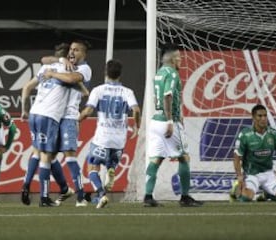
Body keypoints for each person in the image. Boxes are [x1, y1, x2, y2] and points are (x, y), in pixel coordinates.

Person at [144, 43, 203, 207]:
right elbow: (167, 96)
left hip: (156, 122)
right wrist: (171, 120)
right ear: (171, 58)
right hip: (168, 122)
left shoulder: (159, 73)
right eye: (179, 57)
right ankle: (185, 197)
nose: (181, 60)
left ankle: (148, 197)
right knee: (184, 158)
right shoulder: (172, 73)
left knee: (155, 159)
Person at [79, 59, 140, 208]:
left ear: (106, 72)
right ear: (120, 74)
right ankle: (111, 168)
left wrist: (76, 120)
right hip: (119, 139)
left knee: (92, 167)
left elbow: (88, 111)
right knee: (110, 163)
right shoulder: (127, 92)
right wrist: (137, 126)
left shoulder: (98, 90)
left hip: (103, 137)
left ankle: (101, 194)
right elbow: (136, 110)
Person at [20, 43, 75, 206]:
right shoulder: (68, 70)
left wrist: (24, 109)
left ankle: (27, 184)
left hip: (34, 113)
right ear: (68, 56)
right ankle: (44, 197)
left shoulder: (45, 68)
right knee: (47, 155)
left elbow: (27, 86)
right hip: (49, 116)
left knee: (38, 151)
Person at [41, 39, 92, 207]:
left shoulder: (85, 69)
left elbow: (71, 79)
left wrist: (53, 73)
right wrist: (60, 60)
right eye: (71, 49)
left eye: (76, 50)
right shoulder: (64, 63)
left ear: (83, 54)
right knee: (49, 156)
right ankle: (63, 190)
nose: (72, 52)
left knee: (70, 156)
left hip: (69, 117)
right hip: (54, 115)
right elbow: (44, 60)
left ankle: (80, 196)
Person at [230, 104, 276, 202]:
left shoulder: (274, 134)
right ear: (253, 117)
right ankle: (235, 189)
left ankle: (267, 194)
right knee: (245, 198)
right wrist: (240, 177)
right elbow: (237, 157)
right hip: (252, 175)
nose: (263, 118)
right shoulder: (245, 135)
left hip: (269, 174)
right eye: (260, 116)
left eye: (265, 115)